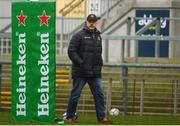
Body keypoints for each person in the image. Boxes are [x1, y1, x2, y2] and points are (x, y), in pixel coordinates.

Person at [65, 14, 112, 124]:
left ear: (96, 22)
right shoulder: (78, 35)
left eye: (93, 21)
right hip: (80, 72)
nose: (92, 23)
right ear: (86, 22)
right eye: (90, 21)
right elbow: (71, 51)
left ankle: (101, 117)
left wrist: (99, 65)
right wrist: (81, 63)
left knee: (99, 94)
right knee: (75, 94)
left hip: (95, 73)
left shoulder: (98, 36)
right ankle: (70, 117)